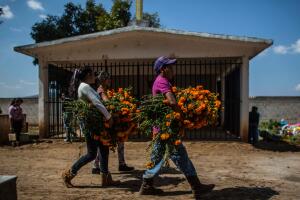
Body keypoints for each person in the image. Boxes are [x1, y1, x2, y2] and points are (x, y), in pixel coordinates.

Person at [139, 56, 215, 198]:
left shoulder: (161, 81)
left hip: (161, 128)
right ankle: (196, 186)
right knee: (180, 156)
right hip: (166, 129)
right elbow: (172, 102)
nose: (173, 69)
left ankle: (147, 185)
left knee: (157, 158)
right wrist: (182, 115)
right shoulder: (162, 81)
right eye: (170, 67)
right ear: (163, 69)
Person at [62, 67, 120, 187]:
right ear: (88, 74)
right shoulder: (85, 87)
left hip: (96, 124)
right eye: (93, 74)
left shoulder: (86, 86)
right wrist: (109, 117)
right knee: (91, 154)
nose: (95, 76)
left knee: (104, 149)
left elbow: (96, 103)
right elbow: (96, 103)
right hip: (91, 125)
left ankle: (106, 178)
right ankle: (69, 174)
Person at [92, 71, 135, 174]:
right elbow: (108, 103)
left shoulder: (105, 90)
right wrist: (118, 105)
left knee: (118, 141)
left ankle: (119, 164)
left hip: (109, 120)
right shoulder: (101, 91)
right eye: (108, 79)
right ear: (103, 80)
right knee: (105, 142)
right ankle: (97, 165)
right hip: (106, 122)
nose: (110, 80)